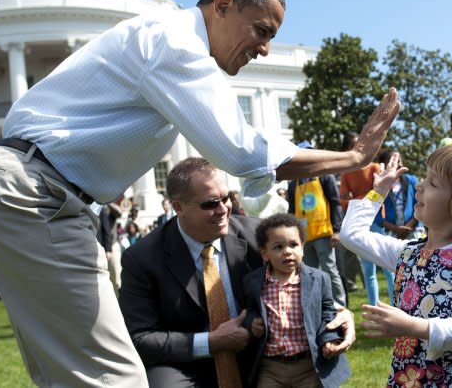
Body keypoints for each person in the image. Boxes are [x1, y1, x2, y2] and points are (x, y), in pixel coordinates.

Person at [0, 0, 398, 386]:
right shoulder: (175, 43)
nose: (264, 48)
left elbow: (249, 169)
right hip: (34, 197)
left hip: (23, 193)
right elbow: (241, 152)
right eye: (262, 30)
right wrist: (354, 156)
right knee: (115, 378)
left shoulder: (164, 42)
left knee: (71, 373)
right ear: (223, 4)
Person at [119, 158, 355, 388]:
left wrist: (340, 313)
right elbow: (140, 338)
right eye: (210, 204)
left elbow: (304, 281)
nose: (223, 209)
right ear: (178, 207)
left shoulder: (259, 237)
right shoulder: (142, 258)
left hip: (260, 353)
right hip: (186, 363)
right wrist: (212, 342)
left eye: (227, 198)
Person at [340, 145, 452, 387]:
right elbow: (351, 235)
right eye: (426, 177)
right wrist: (378, 191)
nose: (419, 185)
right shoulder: (408, 254)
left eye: (434, 183)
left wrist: (414, 326)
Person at [242, 213, 350, 388]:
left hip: (309, 366)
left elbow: (327, 312)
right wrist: (251, 323)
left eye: (293, 245)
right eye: (278, 247)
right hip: (270, 368)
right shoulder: (253, 281)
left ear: (303, 247)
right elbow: (248, 310)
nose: (287, 251)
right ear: (265, 253)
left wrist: (329, 339)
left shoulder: (319, 279)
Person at [287, 142, 346, 307]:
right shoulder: (293, 183)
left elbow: (335, 203)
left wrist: (337, 230)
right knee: (310, 273)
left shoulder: (325, 176)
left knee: (330, 270)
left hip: (323, 233)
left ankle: (340, 306)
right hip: (304, 236)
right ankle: (319, 307)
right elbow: (292, 210)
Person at [338, 131, 378, 294]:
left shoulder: (374, 167)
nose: (359, 148)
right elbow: (343, 198)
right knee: (369, 270)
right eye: (354, 145)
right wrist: (358, 204)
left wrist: (360, 201)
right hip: (360, 219)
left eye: (360, 144)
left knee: (388, 269)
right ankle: (374, 306)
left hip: (377, 217)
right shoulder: (346, 173)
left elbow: (381, 192)